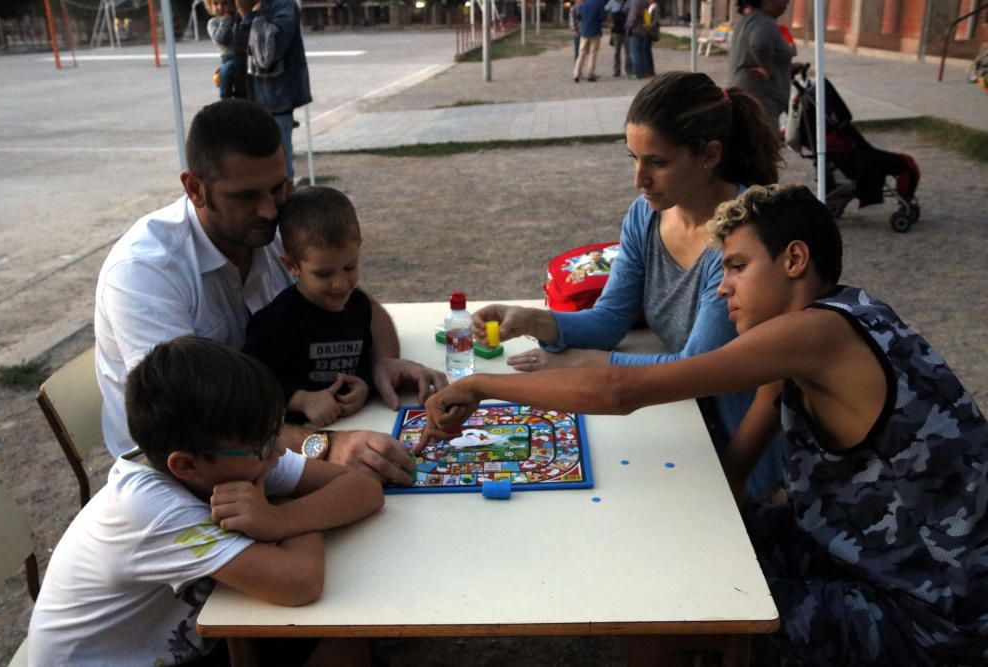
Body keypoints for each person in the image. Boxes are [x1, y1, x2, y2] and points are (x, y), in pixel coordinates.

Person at [423, 184, 988, 666]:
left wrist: (479, 385)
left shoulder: (816, 334)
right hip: (858, 549)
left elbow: (622, 392)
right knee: (672, 540)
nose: (722, 287)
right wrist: (724, 503)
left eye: (738, 267)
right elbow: (751, 440)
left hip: (935, 613)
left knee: (673, 611)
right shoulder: (837, 320)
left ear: (794, 260)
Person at [95, 99, 445, 485]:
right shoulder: (145, 273)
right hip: (186, 467)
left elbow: (361, 304)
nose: (268, 211)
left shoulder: (274, 229)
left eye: (278, 188)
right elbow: (192, 420)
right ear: (195, 188)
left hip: (268, 440)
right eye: (246, 196)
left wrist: (384, 361)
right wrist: (324, 446)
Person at [471, 72, 784, 501]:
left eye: (657, 162)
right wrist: (532, 320)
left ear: (710, 155)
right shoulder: (645, 215)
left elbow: (693, 370)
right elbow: (609, 319)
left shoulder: (742, 238)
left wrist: (587, 364)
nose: (640, 179)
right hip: (673, 420)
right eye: (633, 159)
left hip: (739, 454)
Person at [28, 336, 385, 666]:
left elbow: (364, 488)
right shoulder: (152, 510)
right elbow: (300, 583)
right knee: (331, 635)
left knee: (339, 638)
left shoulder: (240, 454)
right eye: (264, 445)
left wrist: (279, 517)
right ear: (186, 465)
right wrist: (285, 511)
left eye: (274, 434)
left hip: (178, 641)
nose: (278, 452)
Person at [242, 186, 374, 428]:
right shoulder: (272, 324)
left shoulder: (359, 306)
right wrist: (301, 400)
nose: (340, 284)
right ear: (292, 265)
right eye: (323, 274)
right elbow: (252, 386)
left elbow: (365, 358)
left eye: (349, 267)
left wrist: (364, 385)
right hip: (296, 441)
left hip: (362, 424)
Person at [239, 0, 311, 183]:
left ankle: (285, 209)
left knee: (280, 174)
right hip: (245, 99)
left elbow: (268, 53)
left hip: (274, 103)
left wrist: (247, 15)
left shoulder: (284, 6)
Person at [727, 0, 794, 132]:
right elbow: (759, 44)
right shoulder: (764, 21)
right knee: (764, 139)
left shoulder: (748, 20)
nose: (787, 3)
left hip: (746, 90)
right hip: (761, 95)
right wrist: (767, 68)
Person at [206, 0, 236, 99]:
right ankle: (225, 99)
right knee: (225, 72)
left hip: (241, 54)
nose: (220, 7)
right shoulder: (213, 23)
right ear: (210, 5)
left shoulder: (236, 18)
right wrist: (226, 20)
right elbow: (220, 38)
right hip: (228, 57)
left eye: (224, 3)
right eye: (215, 4)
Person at [573, 0, 604, 83]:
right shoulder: (599, 3)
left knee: (581, 53)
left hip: (584, 31)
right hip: (595, 31)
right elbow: (602, 17)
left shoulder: (583, 4)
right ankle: (590, 74)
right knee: (592, 53)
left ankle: (576, 73)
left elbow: (578, 16)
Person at [625, 0, 655, 78]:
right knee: (641, 53)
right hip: (643, 30)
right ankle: (644, 71)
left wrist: (628, 26)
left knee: (635, 53)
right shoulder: (645, 2)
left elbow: (632, 17)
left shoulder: (635, 2)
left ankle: (637, 72)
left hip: (635, 30)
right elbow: (647, 17)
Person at [605, 0, 632, 77]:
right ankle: (617, 70)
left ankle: (629, 69)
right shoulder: (611, 2)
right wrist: (609, 23)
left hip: (626, 31)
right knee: (616, 52)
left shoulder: (629, 2)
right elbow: (605, 13)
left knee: (628, 52)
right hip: (616, 31)